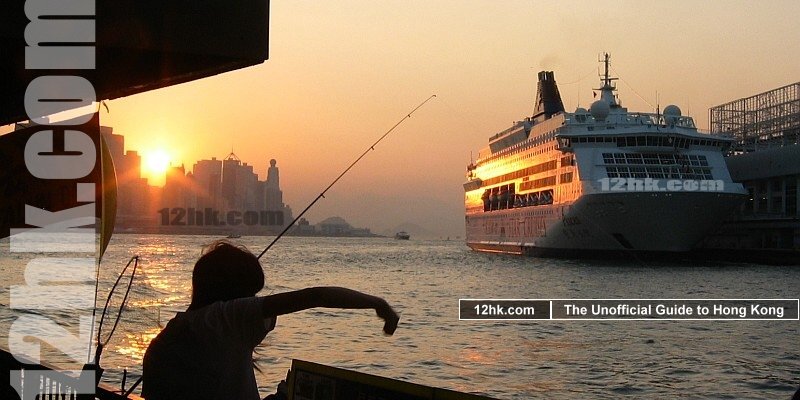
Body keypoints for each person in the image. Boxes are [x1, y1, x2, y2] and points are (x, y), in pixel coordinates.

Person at [141, 240, 399, 400]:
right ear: (236, 295)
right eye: (252, 295)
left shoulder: (167, 339)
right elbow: (316, 296)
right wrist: (378, 304)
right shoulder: (227, 318)